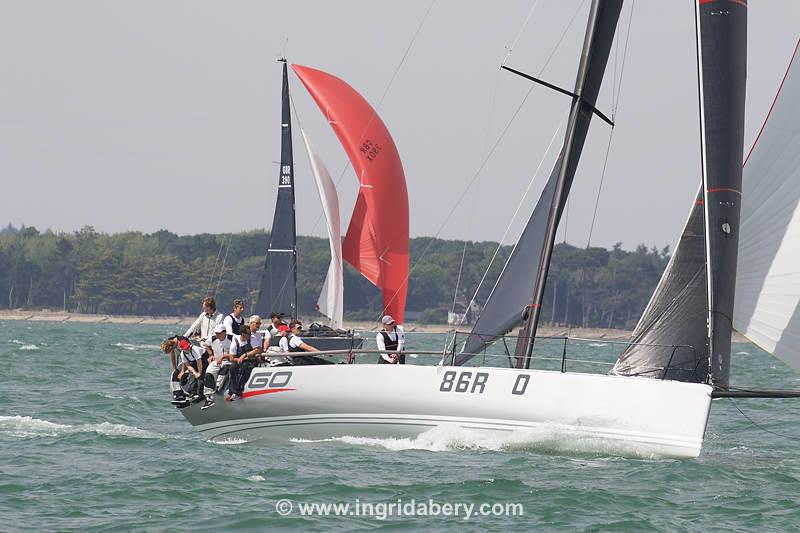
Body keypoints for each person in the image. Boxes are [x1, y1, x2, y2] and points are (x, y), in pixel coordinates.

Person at [161, 335, 207, 408]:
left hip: (193, 360)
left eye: (171, 350)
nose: (172, 351)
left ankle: (192, 393)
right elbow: (173, 355)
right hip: (186, 361)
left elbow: (187, 357)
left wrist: (182, 371)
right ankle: (178, 395)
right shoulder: (170, 341)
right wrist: (174, 369)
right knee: (175, 375)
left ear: (172, 346)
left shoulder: (182, 342)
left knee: (192, 376)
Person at [226, 325, 262, 401]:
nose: (250, 335)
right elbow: (231, 358)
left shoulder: (252, 339)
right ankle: (231, 390)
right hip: (239, 361)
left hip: (250, 361)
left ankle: (238, 392)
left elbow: (258, 350)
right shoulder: (235, 341)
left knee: (245, 367)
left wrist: (245, 355)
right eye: (248, 333)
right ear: (242, 333)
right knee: (232, 367)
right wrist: (239, 359)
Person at [201, 322, 232, 409]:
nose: (217, 335)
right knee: (208, 373)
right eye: (216, 333)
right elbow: (206, 344)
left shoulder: (232, 338)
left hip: (228, 361)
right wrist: (210, 354)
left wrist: (226, 357)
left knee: (225, 369)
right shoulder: (213, 338)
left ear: (224, 332)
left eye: (219, 333)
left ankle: (218, 388)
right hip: (217, 361)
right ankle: (209, 397)